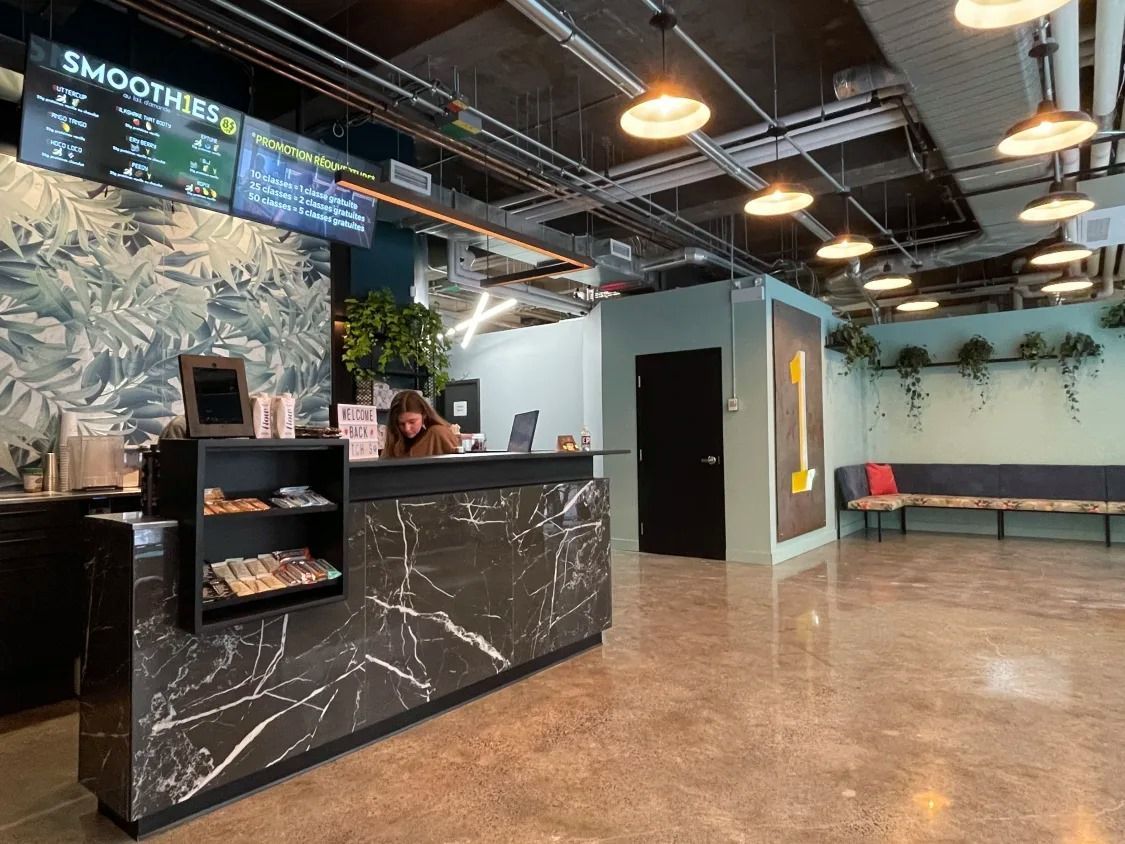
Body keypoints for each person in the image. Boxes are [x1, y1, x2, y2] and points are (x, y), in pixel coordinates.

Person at [382, 391, 461, 459]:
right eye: (401, 424)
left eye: (412, 422)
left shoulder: (438, 433)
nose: (407, 428)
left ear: (424, 414)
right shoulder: (395, 441)